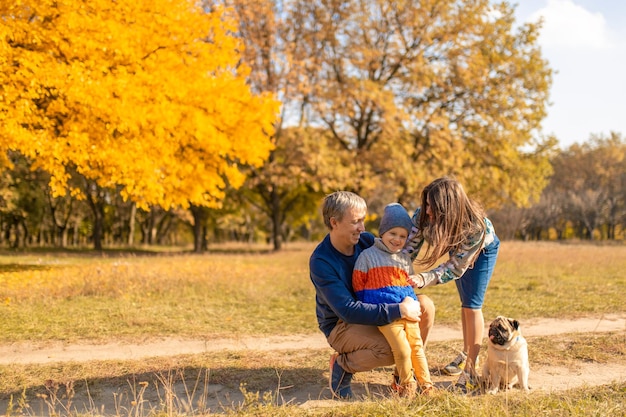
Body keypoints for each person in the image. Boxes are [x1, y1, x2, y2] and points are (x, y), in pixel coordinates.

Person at [309, 191, 435, 400]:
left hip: (376, 309)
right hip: (342, 324)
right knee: (391, 348)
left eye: (363, 220)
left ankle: (402, 377)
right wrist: (399, 310)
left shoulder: (365, 241)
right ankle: (343, 366)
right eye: (356, 221)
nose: (363, 228)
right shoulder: (322, 261)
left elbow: (393, 262)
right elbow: (348, 311)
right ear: (334, 222)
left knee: (425, 306)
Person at [403, 176, 500, 394]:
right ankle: (467, 353)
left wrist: (423, 278)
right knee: (464, 303)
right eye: (426, 203)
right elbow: (408, 249)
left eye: (433, 206)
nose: (427, 210)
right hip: (459, 247)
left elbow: (455, 268)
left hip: (482, 250)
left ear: (449, 207)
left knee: (472, 305)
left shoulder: (475, 226)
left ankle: (470, 372)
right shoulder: (423, 214)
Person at [352, 203, 434, 398]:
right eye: (392, 234)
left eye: (403, 236)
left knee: (417, 348)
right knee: (403, 350)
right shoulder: (367, 256)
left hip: (409, 311)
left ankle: (428, 387)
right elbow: (358, 285)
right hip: (386, 314)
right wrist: (371, 309)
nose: (397, 240)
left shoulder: (404, 259)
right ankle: (407, 386)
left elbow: (408, 283)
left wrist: (411, 300)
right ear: (383, 232)